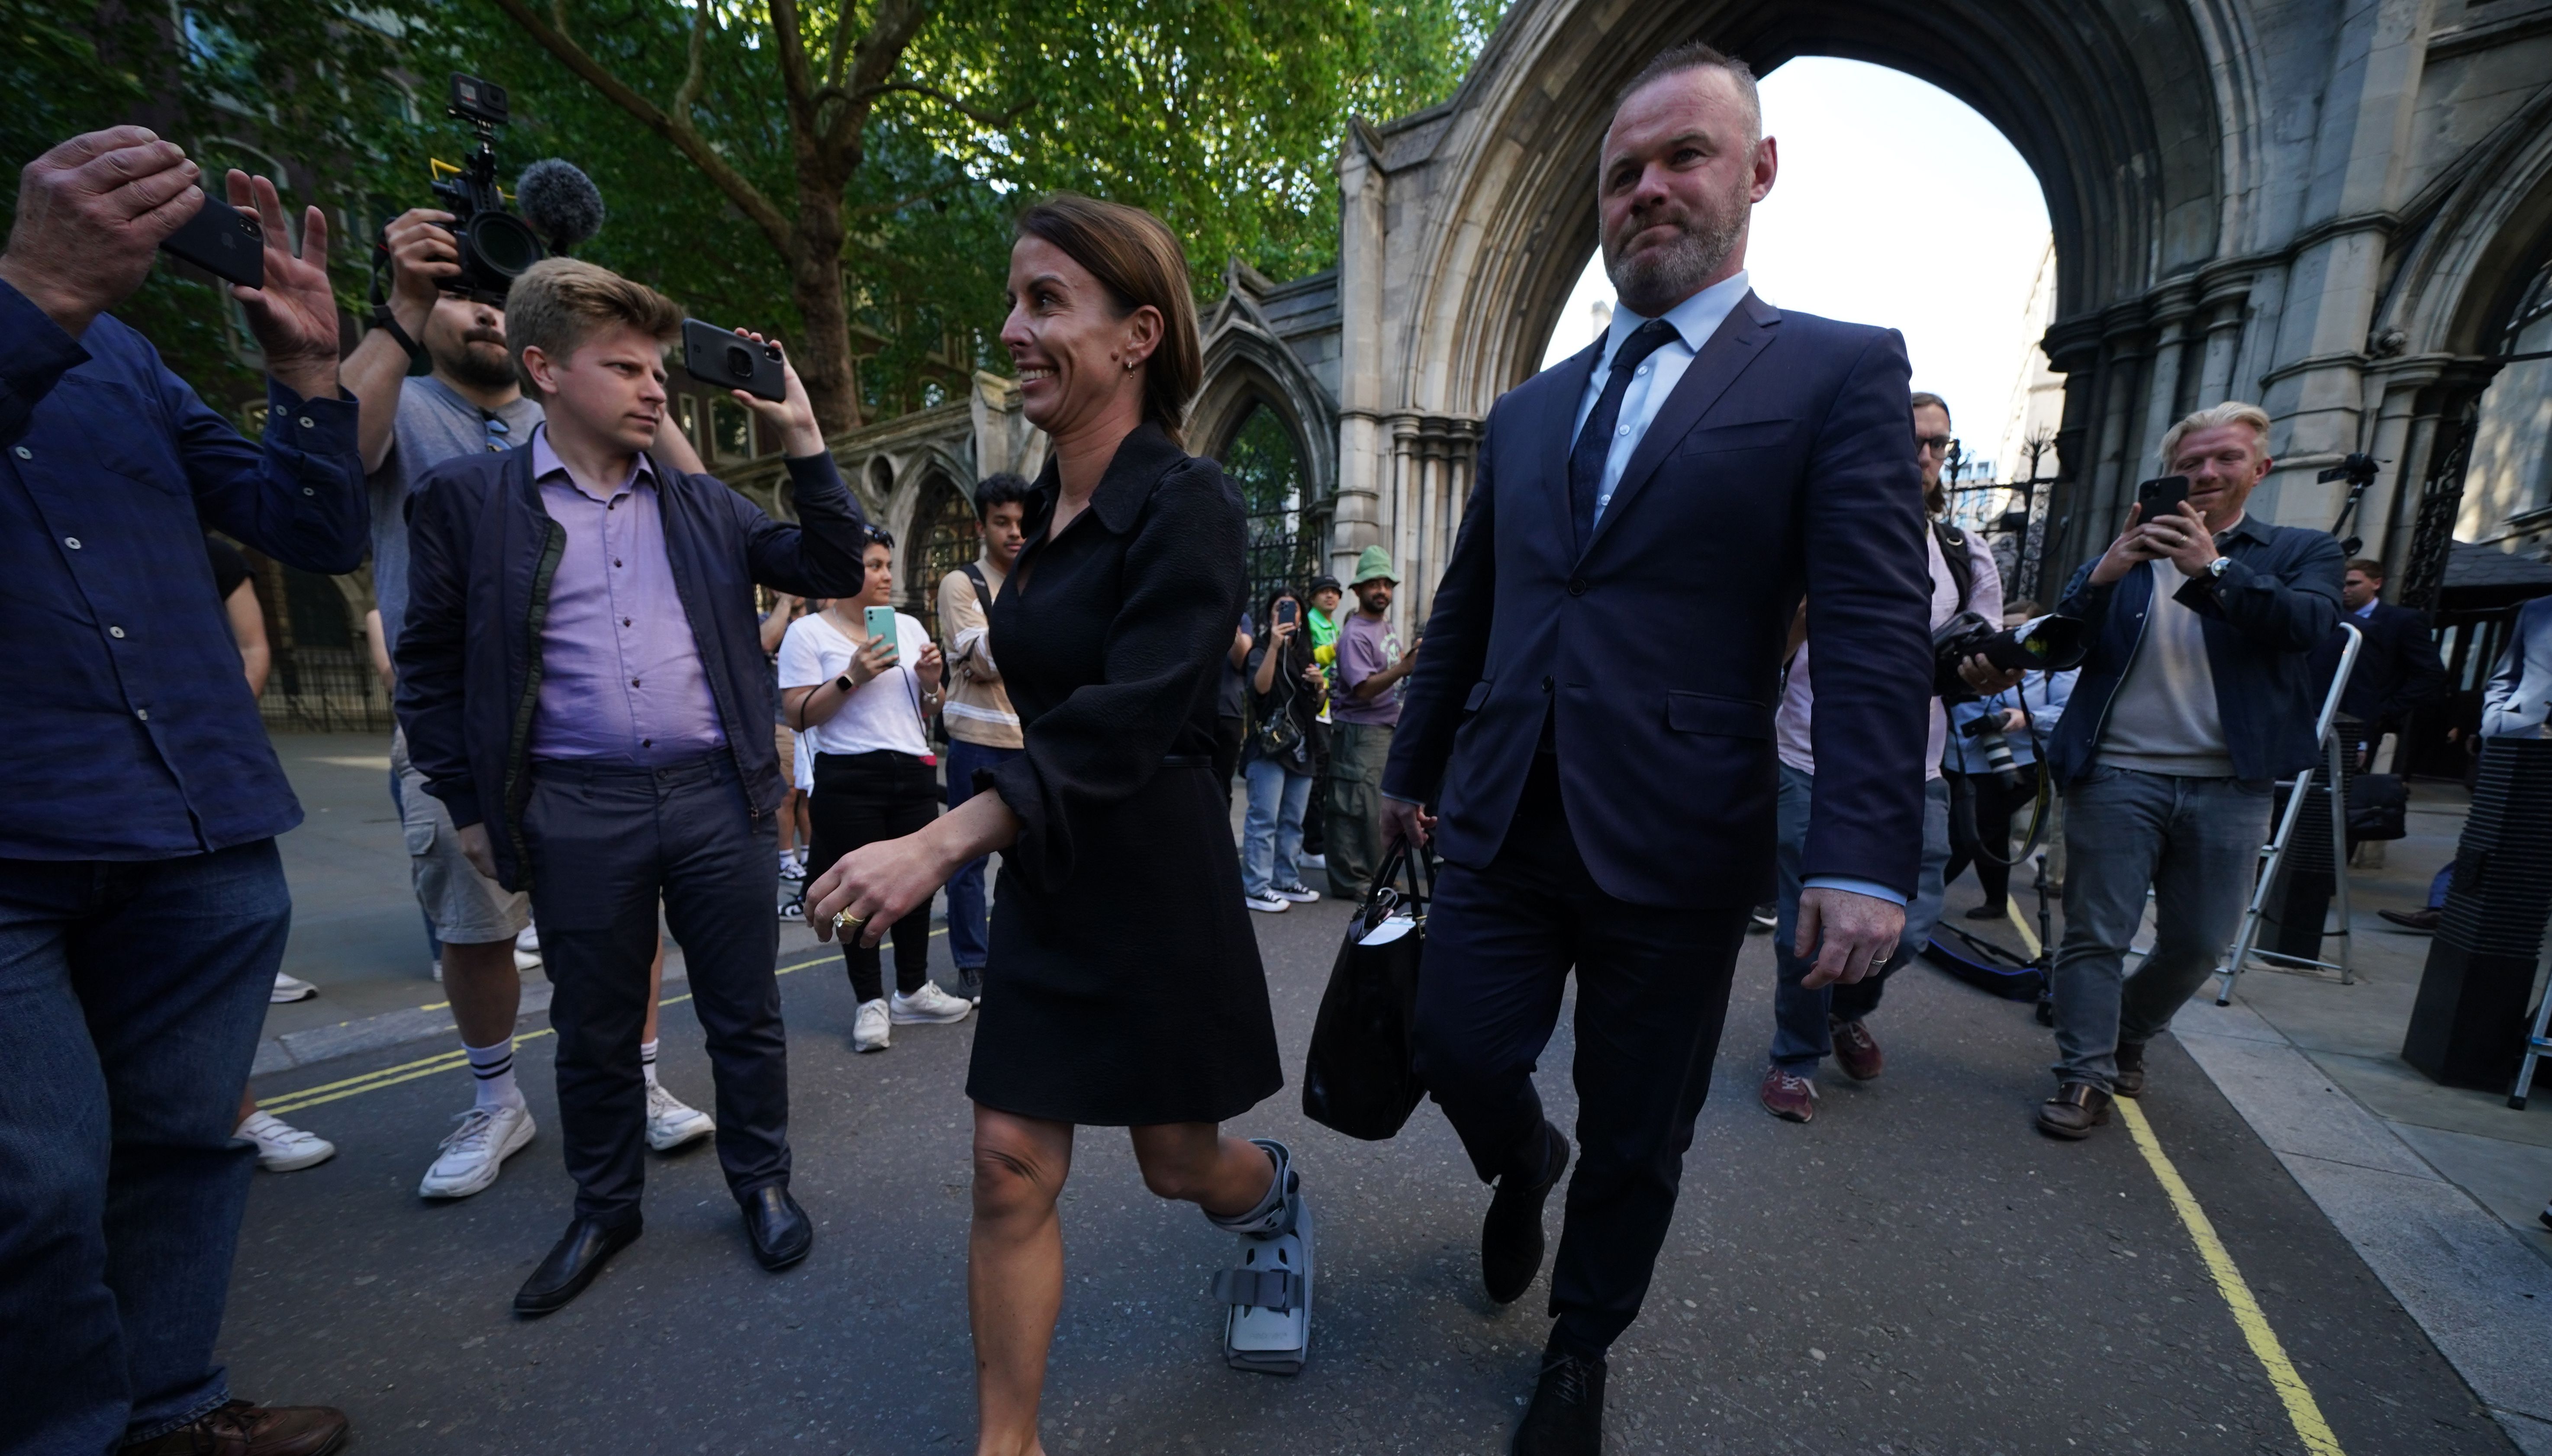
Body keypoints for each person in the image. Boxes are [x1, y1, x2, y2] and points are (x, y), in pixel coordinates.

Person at [1378, 47, 1934, 1454]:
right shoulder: (1526, 411)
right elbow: (1472, 608)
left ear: (1754, 173)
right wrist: (1409, 769)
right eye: (1621, 171)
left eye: (1681, 156)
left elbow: (1872, 623)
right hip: (1504, 815)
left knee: (1641, 1127)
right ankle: (1521, 1158)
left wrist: (1863, 850)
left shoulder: (1836, 371)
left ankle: (1580, 1341)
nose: (1645, 189)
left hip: (1680, 841)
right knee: (1449, 1043)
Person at [806, 194, 1307, 1442]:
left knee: (1177, 1164)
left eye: (1046, 302)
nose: (1013, 328)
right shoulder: (1041, 521)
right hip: (1052, 866)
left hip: (1154, 875)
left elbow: (1138, 716)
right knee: (1007, 1166)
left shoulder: (1191, 502)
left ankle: (1274, 1201)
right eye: (1013, 300)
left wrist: (942, 832)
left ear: (1139, 334)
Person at [397, 258, 869, 1314]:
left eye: (659, 368)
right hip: (575, 807)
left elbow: (834, 563)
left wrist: (803, 435)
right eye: (625, 367)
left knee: (743, 1015)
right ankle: (605, 1207)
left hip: (719, 797)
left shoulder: (703, 505)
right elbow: (426, 665)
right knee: (595, 1028)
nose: (656, 388)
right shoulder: (467, 502)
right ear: (544, 370)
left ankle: (763, 1183)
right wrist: (468, 808)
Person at [0, 129, 360, 1456]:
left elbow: (313, 531)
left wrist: (308, 373)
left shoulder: (128, 357)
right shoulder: (44, 318)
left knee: (183, 1145)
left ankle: (170, 1407)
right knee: (33, 1184)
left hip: (194, 824)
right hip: (18, 838)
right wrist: (34, 297)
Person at [343, 207, 715, 1202]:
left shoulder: (597, 407)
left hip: (603, 732)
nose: (484, 313)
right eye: (461, 292)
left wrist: (629, 357)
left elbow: (706, 504)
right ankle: (494, 1094)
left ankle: (635, 1081)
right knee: (475, 924)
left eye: (500, 297)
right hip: (463, 735)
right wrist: (399, 308)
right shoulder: (406, 405)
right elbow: (325, 462)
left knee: (626, 918)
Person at [2037, 401, 2342, 1138]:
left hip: (2229, 780)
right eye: (2190, 463)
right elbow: (2060, 643)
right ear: (2170, 473)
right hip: (2117, 773)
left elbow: (2308, 626)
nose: (2206, 472)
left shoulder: (2298, 550)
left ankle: (2128, 1031)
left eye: (2225, 459)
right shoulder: (2128, 552)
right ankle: (2084, 1074)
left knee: (2199, 941)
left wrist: (2215, 569)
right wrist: (2103, 577)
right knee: (2094, 934)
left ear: (2258, 470)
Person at [1757, 390, 2009, 1124]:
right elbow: (1753, 654)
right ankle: (1793, 1058)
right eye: (1910, 439)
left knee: (1915, 925)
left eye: (1936, 442)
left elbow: (1979, 653)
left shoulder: (1966, 555)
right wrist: (1795, 626)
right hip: (1807, 756)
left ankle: (1845, 1008)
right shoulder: (1808, 537)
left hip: (1916, 769)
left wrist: (1992, 668)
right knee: (1808, 928)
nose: (1923, 454)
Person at [780, 533, 971, 1050]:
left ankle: (912, 989)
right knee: (852, 892)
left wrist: (932, 681)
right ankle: (870, 999)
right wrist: (852, 675)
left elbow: (930, 707)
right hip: (848, 776)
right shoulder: (807, 633)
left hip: (910, 769)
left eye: (888, 565)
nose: (887, 575)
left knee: (917, 882)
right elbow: (797, 714)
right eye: (874, 565)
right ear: (843, 572)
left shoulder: (906, 626)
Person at [2381, 592, 2552, 930]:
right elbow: (2507, 674)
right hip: (2521, 737)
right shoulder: (2538, 609)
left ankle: (2516, 915)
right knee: (2489, 829)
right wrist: (2496, 721)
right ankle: (2447, 906)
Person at [938, 471, 1031, 1002]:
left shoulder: (1035, 580)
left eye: (1022, 522)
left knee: (1029, 859)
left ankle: (1021, 958)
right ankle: (973, 962)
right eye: (1002, 522)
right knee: (967, 860)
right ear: (982, 525)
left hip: (1029, 742)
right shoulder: (961, 583)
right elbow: (988, 659)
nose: (1015, 533)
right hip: (976, 740)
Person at [1942, 652, 2076, 920]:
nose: (2006, 635)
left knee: (1964, 836)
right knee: (1993, 832)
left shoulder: (2052, 665)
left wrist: (2028, 717)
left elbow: (2072, 711)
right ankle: (1997, 902)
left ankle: (1910, 904)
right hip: (1958, 761)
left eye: (2017, 630)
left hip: (2019, 767)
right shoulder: (1970, 654)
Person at [1326, 547, 1421, 900]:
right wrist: (1404, 668)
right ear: (1358, 590)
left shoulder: (1384, 626)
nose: (1381, 590)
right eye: (1373, 584)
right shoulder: (1356, 634)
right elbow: (1364, 688)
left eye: (1386, 584)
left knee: (1374, 809)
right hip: (1360, 732)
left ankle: (1376, 873)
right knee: (1354, 806)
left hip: (1385, 730)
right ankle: (1352, 880)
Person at [1241, 585, 1328, 913]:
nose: (1288, 613)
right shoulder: (1263, 648)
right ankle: (1256, 886)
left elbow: (1316, 707)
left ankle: (1285, 880)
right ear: (1270, 615)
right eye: (1281, 607)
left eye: (1293, 607)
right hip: (1269, 748)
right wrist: (1276, 646)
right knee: (1264, 820)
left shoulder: (1306, 652)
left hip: (1302, 747)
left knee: (1293, 820)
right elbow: (1259, 691)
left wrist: (1319, 686)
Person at [2309, 557, 2446, 763]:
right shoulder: (2329, 617)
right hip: (2318, 713)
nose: (2345, 590)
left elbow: (2430, 672)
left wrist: (2386, 710)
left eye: (2354, 583)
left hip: (2363, 719)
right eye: (2341, 584)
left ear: (2377, 583)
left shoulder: (2404, 621)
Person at [763, 590, 813, 895]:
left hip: (813, 720)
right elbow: (765, 643)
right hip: (780, 721)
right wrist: (785, 601)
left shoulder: (817, 623)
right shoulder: (766, 621)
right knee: (788, 793)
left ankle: (809, 855)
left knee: (809, 792)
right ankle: (786, 858)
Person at [1300, 573, 1345, 869]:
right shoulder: (1309, 623)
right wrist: (1334, 650)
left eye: (1334, 592)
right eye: (1323, 592)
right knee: (1316, 778)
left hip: (1331, 709)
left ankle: (1318, 840)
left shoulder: (1333, 626)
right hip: (1314, 708)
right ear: (1313, 597)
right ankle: (1310, 845)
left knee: (1326, 775)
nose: (1330, 596)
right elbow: (1306, 658)